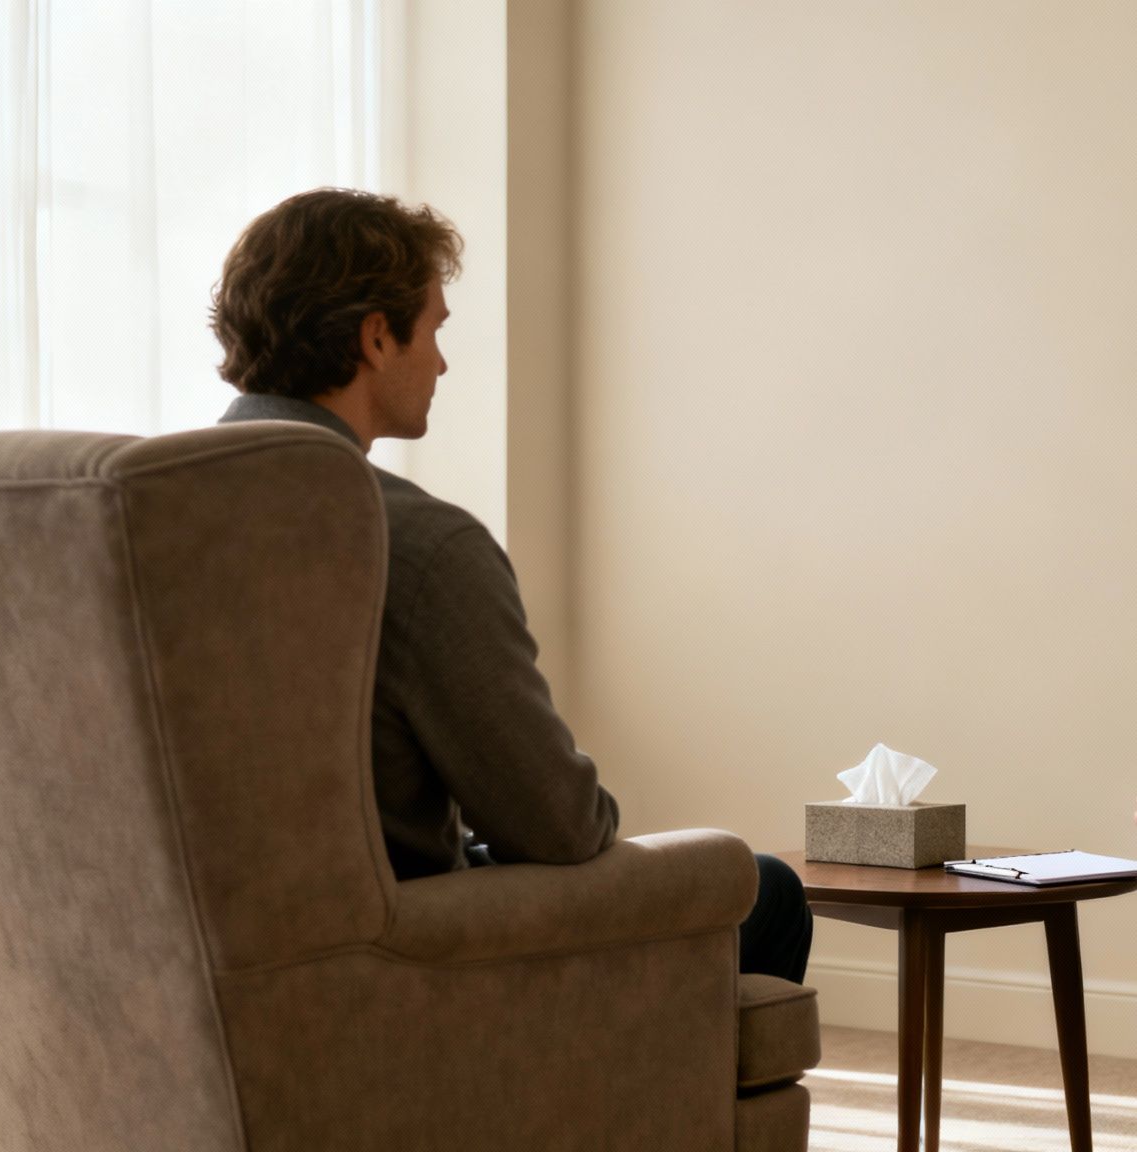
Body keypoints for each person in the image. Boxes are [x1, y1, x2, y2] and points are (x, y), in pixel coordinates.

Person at [209, 187, 811, 982]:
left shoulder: (128, 518)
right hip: (399, 968)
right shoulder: (416, 544)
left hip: (199, 963)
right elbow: (558, 827)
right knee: (763, 888)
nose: (444, 361)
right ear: (377, 337)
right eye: (435, 331)